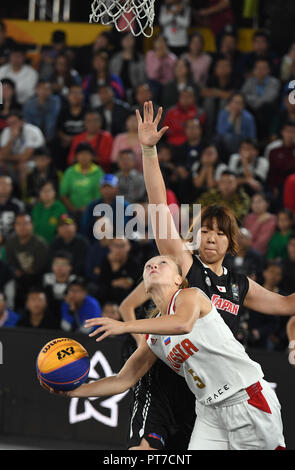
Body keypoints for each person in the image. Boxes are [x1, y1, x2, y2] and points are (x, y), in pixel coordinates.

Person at [116, 101, 295, 451]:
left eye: (220, 233)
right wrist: (149, 150)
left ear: (231, 242)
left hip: (219, 388)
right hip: (178, 375)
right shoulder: (185, 263)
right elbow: (157, 208)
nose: (211, 238)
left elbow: (288, 304)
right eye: (205, 231)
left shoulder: (240, 285)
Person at [42, 254, 286, 451]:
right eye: (149, 265)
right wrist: (72, 391)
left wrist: (125, 325)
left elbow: (182, 324)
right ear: (145, 287)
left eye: (162, 263)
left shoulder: (191, 296)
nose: (153, 265)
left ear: (179, 279)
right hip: (209, 412)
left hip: (247, 398)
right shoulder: (155, 335)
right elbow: (122, 380)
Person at [5, 213, 49, 309]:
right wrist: (17, 271)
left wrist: (25, 273)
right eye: (19, 224)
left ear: (31, 225)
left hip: (37, 278)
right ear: (14, 226)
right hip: (18, 277)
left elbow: (39, 267)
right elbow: (10, 261)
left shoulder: (40, 243)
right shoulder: (10, 242)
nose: (22, 227)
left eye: (25, 223)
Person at [60, 143, 105, 218]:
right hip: (72, 212)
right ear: (76, 156)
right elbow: (63, 194)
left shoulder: (99, 172)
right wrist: (73, 209)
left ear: (92, 156)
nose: (84, 157)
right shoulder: (70, 172)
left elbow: (100, 195)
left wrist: (88, 208)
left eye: (87, 154)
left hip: (94, 212)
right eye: (81, 154)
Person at [43, 251, 77, 320]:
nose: (59, 267)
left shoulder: (75, 282)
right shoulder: (45, 279)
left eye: (63, 264)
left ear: (70, 267)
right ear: (52, 266)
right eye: (56, 264)